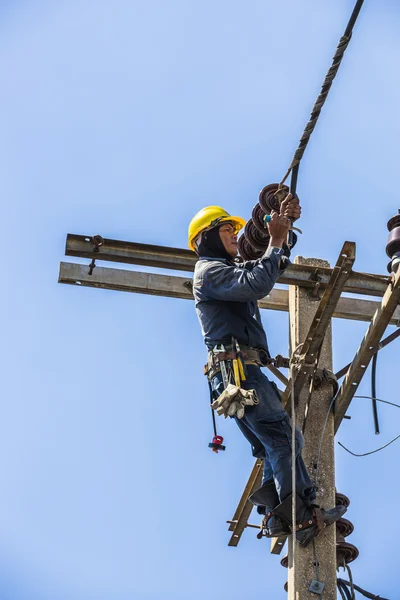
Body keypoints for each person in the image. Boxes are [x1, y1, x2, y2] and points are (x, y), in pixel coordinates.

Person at [188, 197, 346, 547]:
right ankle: (302, 516)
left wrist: (283, 235)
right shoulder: (210, 272)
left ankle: (278, 517)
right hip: (240, 372)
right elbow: (258, 282)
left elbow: (265, 269)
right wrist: (274, 241)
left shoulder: (227, 271)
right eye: (227, 229)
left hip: (240, 372)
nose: (234, 235)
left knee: (275, 444)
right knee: (284, 440)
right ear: (206, 238)